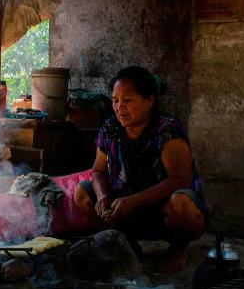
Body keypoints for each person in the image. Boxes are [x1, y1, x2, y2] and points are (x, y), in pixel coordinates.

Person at [73, 66, 208, 272]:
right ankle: (126, 244)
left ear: (149, 101)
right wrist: (102, 197)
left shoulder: (167, 131)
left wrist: (134, 201)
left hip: (162, 212)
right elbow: (98, 170)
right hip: (123, 209)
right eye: (115, 100)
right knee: (81, 193)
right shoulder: (110, 128)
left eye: (127, 100)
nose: (119, 107)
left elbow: (179, 179)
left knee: (183, 205)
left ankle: (178, 249)